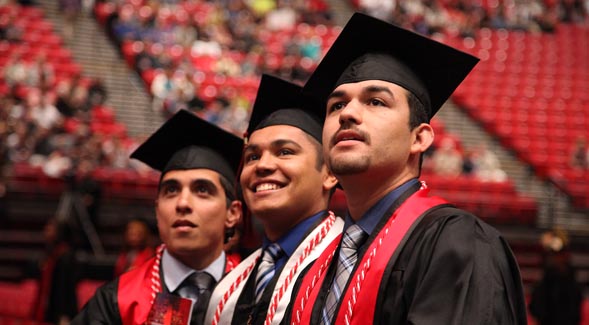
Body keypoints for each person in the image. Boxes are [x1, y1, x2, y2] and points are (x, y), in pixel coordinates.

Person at [287, 13, 527, 324]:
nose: (348, 114)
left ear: (419, 138)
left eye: (375, 102)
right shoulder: (315, 267)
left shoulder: (459, 244)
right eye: (336, 105)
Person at [71, 109, 243, 325]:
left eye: (202, 190)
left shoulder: (257, 294)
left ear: (232, 213)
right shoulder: (118, 300)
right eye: (171, 190)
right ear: (157, 208)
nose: (182, 203)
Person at [205, 74, 342, 325]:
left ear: (330, 173)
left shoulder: (351, 267)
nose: (263, 165)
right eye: (252, 156)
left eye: (285, 152)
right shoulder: (228, 289)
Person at [529, 228, 583, 325]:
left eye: (557, 255)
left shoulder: (572, 283)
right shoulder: (544, 284)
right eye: (551, 255)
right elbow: (536, 309)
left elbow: (575, 313)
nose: (553, 259)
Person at [32, 217, 79, 325]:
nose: (46, 230)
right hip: (48, 307)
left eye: (50, 228)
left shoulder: (66, 256)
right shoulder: (50, 254)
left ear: (59, 233)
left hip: (61, 312)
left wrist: (64, 315)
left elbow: (67, 288)